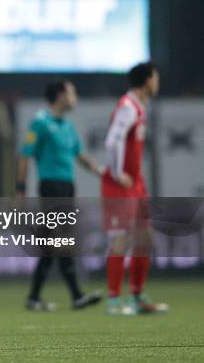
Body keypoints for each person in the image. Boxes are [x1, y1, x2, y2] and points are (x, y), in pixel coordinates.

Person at [17, 79, 104, 311]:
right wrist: (20, 190)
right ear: (61, 96)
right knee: (59, 240)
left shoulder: (67, 126)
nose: (75, 97)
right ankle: (75, 295)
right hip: (51, 187)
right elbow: (25, 155)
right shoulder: (40, 122)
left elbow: (80, 155)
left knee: (55, 243)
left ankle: (37, 297)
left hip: (67, 187)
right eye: (72, 93)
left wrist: (101, 172)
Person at [102, 62, 168, 315]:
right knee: (122, 239)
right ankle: (113, 301)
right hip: (121, 182)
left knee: (145, 238)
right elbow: (112, 141)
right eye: (156, 78)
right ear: (148, 80)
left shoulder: (139, 107)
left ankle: (137, 296)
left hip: (135, 182)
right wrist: (119, 174)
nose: (157, 83)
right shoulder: (128, 108)